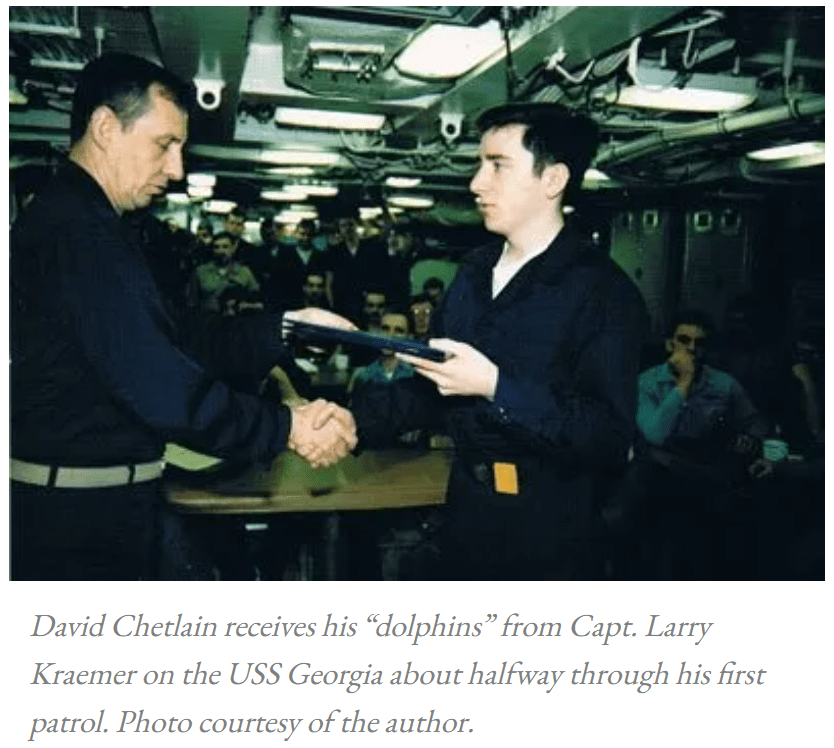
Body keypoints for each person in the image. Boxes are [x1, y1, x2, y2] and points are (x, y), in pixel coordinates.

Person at [10, 52, 357, 581]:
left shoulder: (93, 224)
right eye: (164, 145)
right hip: (79, 526)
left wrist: (284, 327)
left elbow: (178, 334)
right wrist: (286, 426)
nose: (177, 170)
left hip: (108, 503)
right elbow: (162, 385)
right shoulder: (80, 234)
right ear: (105, 128)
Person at [352, 102, 647, 580]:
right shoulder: (471, 275)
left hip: (548, 536)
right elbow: (433, 390)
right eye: (478, 164)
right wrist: (344, 422)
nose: (476, 183)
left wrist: (495, 386)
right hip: (465, 516)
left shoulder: (604, 293)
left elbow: (606, 437)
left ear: (552, 180)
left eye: (498, 166)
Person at [628, 309, 770, 579]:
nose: (692, 349)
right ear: (670, 343)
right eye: (684, 340)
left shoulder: (724, 385)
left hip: (703, 468)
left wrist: (751, 440)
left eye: (700, 343)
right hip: (657, 469)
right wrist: (684, 383)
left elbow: (756, 422)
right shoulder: (646, 383)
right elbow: (655, 434)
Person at [189, 231, 262, 314]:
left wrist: (243, 306)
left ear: (233, 248)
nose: (221, 251)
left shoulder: (244, 271)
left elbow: (258, 300)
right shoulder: (200, 271)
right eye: (216, 247)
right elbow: (192, 303)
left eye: (225, 247)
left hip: (238, 322)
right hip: (209, 321)